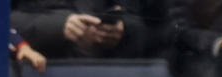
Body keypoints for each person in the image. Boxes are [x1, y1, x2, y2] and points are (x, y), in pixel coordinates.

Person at [9, 0, 157, 59]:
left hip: (103, 72)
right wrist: (57, 26)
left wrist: (121, 29)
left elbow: (144, 20)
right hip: (35, 69)